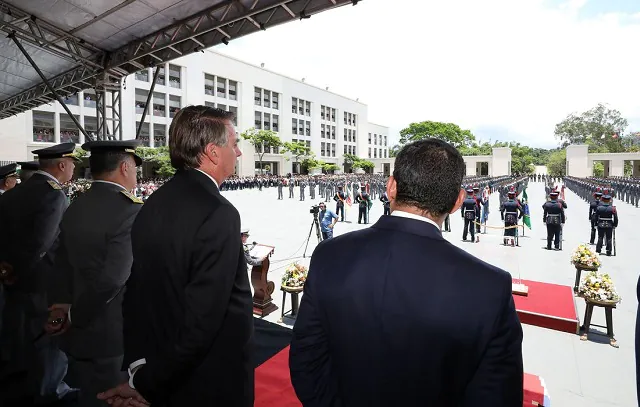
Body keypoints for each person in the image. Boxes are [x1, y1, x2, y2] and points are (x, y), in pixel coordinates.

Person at [290, 138, 523, 406]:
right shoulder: (489, 287)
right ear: (458, 202)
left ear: (391, 187)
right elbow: (496, 395)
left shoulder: (330, 254)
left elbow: (307, 361)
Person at [98, 106, 253, 407]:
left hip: (162, 367)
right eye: (234, 143)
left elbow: (136, 294)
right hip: (207, 382)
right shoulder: (219, 212)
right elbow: (203, 322)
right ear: (213, 152)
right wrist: (147, 383)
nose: (239, 152)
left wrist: (138, 369)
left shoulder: (153, 202)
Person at [46, 140, 143, 407]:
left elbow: (61, 261)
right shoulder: (130, 210)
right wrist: (75, 314)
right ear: (124, 167)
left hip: (77, 329)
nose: (136, 174)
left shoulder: (76, 204)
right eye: (135, 167)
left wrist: (63, 306)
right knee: (112, 396)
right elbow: (113, 279)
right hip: (111, 332)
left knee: (89, 391)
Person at [0, 142, 79, 406]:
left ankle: (22, 381)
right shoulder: (54, 194)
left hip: (13, 276)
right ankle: (52, 390)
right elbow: (41, 243)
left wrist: (8, 267)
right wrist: (19, 268)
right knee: (49, 336)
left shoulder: (15, 193)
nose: (73, 168)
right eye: (71, 164)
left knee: (22, 331)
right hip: (42, 279)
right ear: (61, 165)